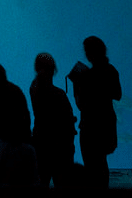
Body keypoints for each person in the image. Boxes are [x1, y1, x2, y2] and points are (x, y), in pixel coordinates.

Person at [67, 36, 120, 189]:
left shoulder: (86, 76)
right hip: (106, 125)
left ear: (90, 53)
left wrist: (77, 85)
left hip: (90, 128)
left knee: (92, 165)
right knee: (102, 163)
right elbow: (118, 94)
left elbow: (81, 105)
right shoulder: (111, 70)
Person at [30, 52, 77, 189]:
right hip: (60, 148)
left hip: (41, 143)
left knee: (42, 182)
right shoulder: (59, 94)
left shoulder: (33, 88)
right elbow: (66, 122)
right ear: (53, 70)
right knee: (62, 184)